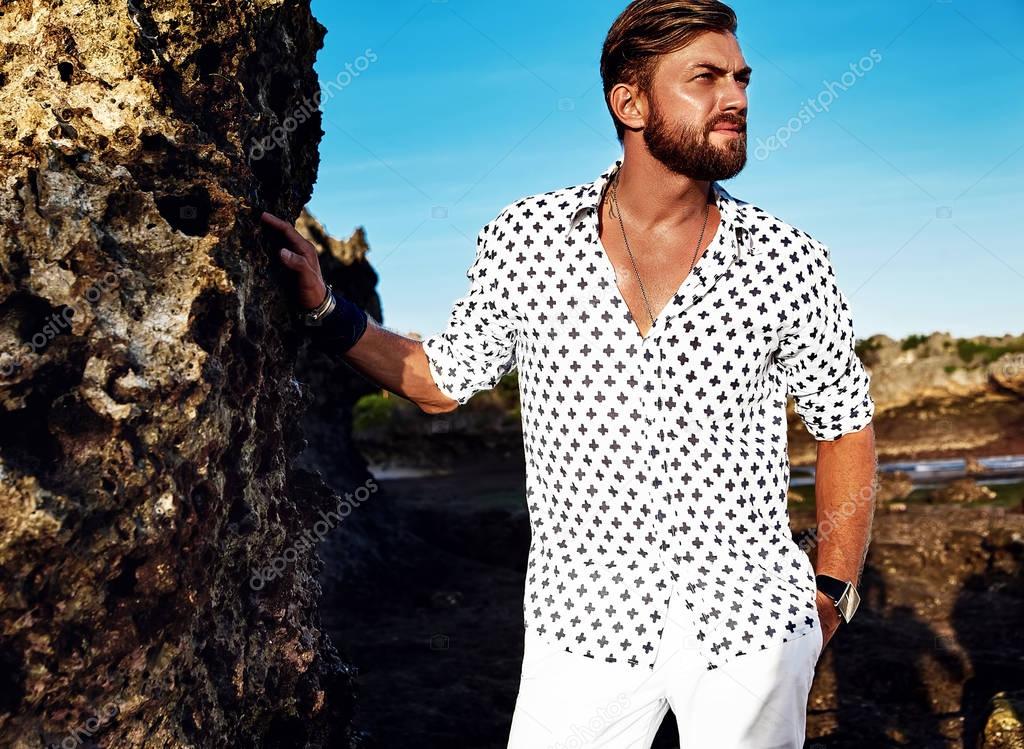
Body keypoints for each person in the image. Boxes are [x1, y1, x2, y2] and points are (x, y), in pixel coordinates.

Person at [261, 1, 878, 746]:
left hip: (750, 629)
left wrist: (833, 593)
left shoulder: (789, 259)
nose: (737, 98)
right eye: (706, 78)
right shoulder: (527, 240)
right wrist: (328, 308)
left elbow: (845, 421)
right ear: (631, 102)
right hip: (582, 628)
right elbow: (439, 379)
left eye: (742, 78)